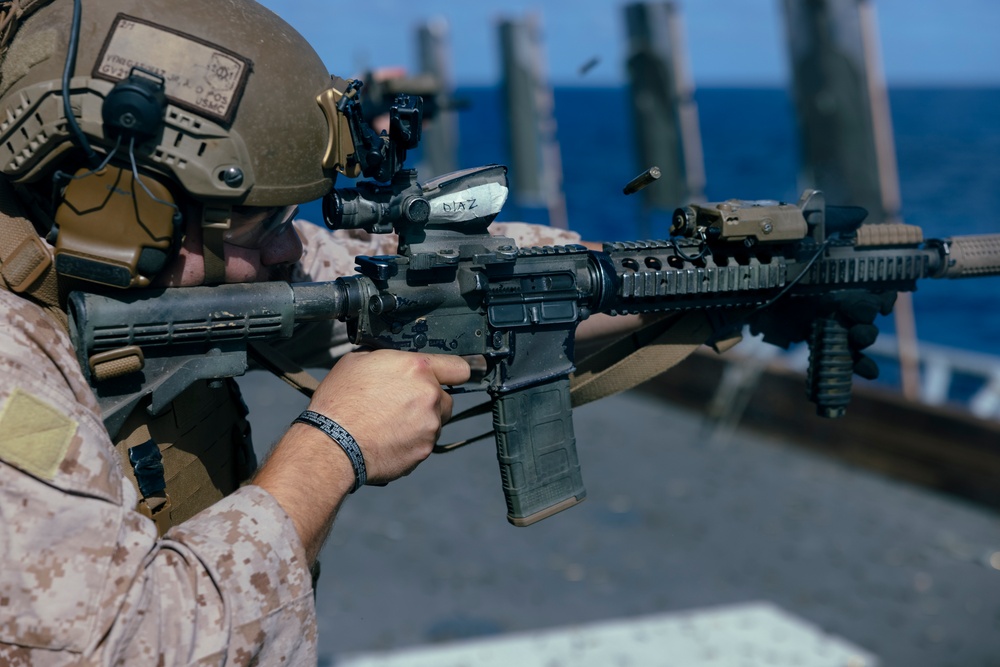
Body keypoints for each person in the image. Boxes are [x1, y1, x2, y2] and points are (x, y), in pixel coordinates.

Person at [0, 0, 643, 664]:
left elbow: (428, 279)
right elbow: (131, 646)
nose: (288, 248)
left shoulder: (135, 261)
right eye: (263, 222)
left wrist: (653, 276)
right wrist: (332, 445)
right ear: (129, 209)